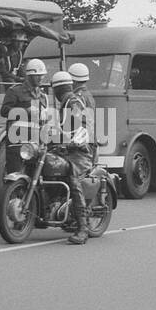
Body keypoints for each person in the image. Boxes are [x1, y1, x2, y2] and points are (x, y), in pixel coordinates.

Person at [47, 70, 93, 246]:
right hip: (65, 150)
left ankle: (83, 228)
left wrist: (73, 142)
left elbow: (81, 126)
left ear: (57, 89)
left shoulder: (73, 102)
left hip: (78, 152)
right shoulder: (65, 103)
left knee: (74, 181)